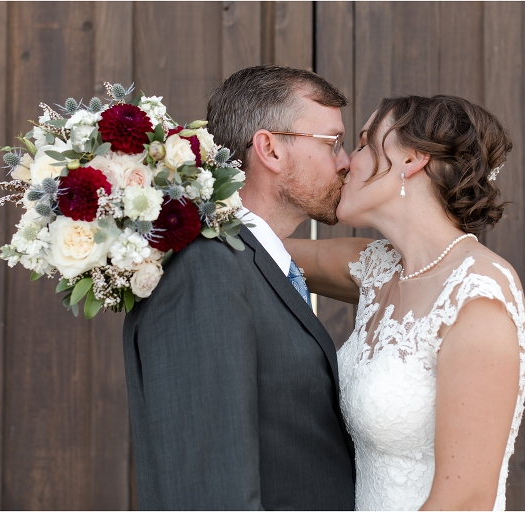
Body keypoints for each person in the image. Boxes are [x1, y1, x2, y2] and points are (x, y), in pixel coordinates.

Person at [122, 65, 356, 509]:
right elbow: (210, 488)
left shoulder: (254, 262)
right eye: (333, 144)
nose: (345, 161)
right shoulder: (206, 269)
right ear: (270, 149)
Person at [285, 95, 525, 510]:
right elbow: (259, 247)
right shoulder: (378, 268)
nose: (346, 162)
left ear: (412, 159)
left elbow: (466, 499)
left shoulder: (477, 295)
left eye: (363, 144)